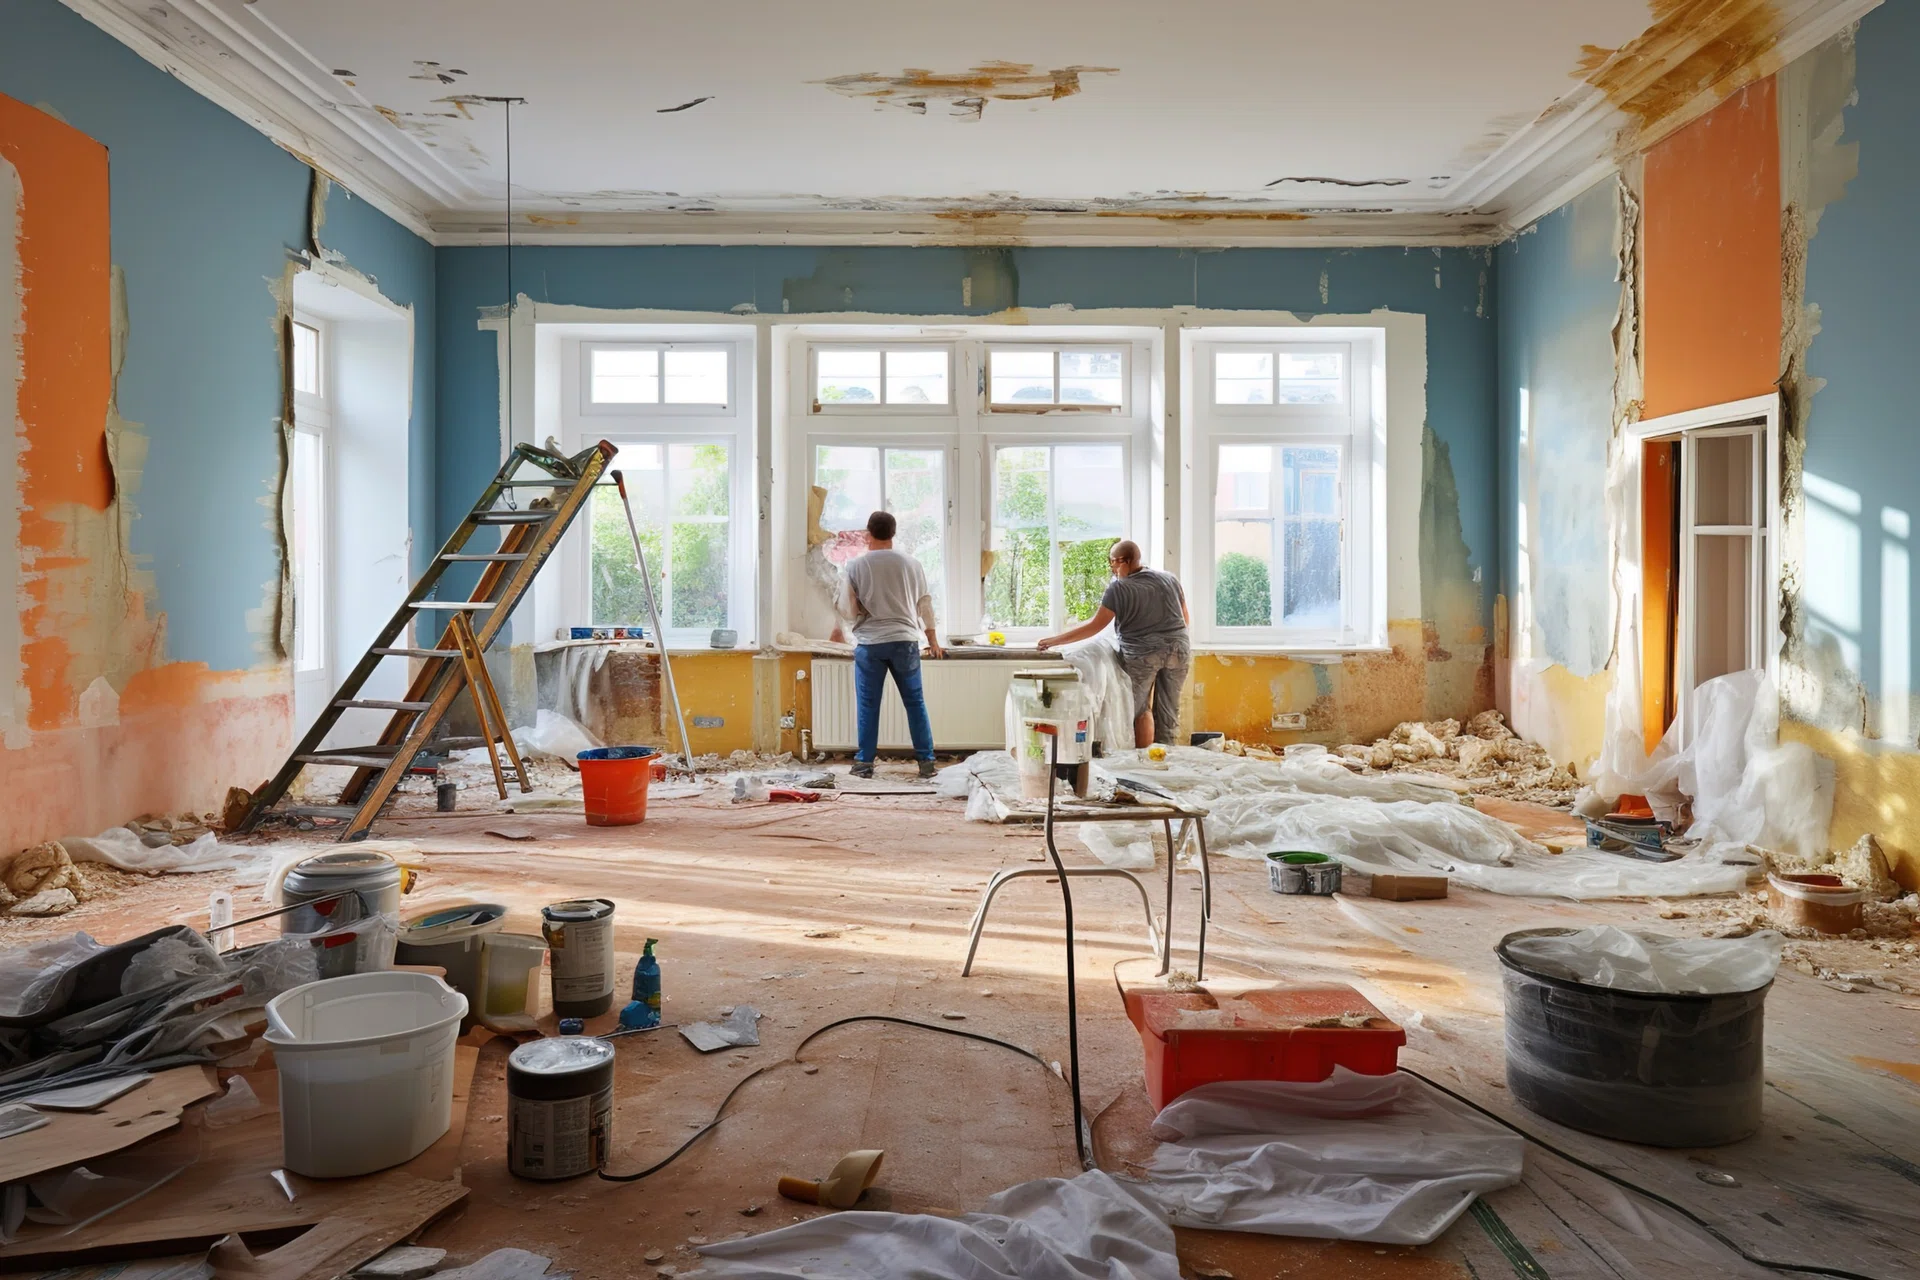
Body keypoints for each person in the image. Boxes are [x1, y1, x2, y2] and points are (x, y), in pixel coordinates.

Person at [1037, 540, 1189, 747]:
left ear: (1122, 561)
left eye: (1112, 563)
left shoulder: (1119, 588)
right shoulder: (1169, 579)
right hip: (1180, 650)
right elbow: (1184, 619)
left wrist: (1054, 640)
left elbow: (1095, 626)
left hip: (1142, 656)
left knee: (1137, 710)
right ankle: (1165, 759)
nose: (1112, 568)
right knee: (1169, 711)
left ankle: (1139, 762)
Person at [837, 511, 943, 779]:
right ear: (893, 533)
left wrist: (859, 612)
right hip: (905, 641)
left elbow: (848, 609)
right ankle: (926, 762)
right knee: (915, 702)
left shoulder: (855, 566)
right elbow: (924, 604)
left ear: (868, 533)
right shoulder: (911, 564)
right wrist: (933, 641)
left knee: (868, 705)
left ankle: (864, 764)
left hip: (871, 643)